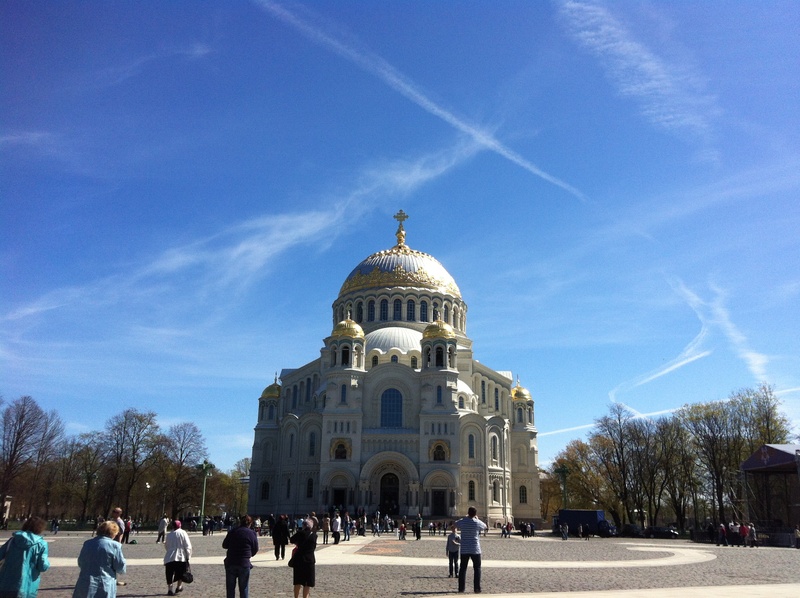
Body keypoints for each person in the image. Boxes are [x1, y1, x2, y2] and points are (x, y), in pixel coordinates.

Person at [72, 520, 126, 597]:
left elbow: (81, 562)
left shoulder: (87, 543)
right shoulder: (115, 546)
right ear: (113, 533)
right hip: (104, 582)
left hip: (85, 580)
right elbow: (120, 566)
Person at [0, 516, 50, 598]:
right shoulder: (41, 544)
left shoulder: (12, 540)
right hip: (28, 585)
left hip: (6, 583)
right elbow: (43, 567)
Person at [222, 514, 259, 598]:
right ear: (250, 523)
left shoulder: (233, 531)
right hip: (244, 563)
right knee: (244, 588)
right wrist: (249, 555)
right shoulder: (252, 533)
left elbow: (224, 545)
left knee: (230, 589)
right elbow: (255, 548)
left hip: (231, 562)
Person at [453, 507, 487, 594]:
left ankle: (461, 588)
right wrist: (477, 518)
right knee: (477, 569)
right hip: (475, 549)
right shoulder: (477, 522)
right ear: (475, 514)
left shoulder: (463, 521)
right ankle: (477, 588)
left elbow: (455, 524)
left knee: (463, 569)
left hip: (464, 549)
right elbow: (485, 526)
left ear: (468, 513)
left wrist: (464, 518)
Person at [290, 518, 317, 598]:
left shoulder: (300, 533)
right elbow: (314, 547)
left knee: (297, 582)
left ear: (304, 526)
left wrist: (298, 543)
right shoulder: (314, 536)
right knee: (307, 583)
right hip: (309, 560)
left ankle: (296, 597)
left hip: (299, 560)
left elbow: (291, 540)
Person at [164, 519, 192, 596]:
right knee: (181, 572)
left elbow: (166, 545)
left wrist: (169, 551)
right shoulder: (183, 533)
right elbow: (187, 545)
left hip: (170, 556)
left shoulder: (169, 534)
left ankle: (170, 589)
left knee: (169, 573)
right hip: (181, 556)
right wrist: (188, 555)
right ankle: (179, 586)